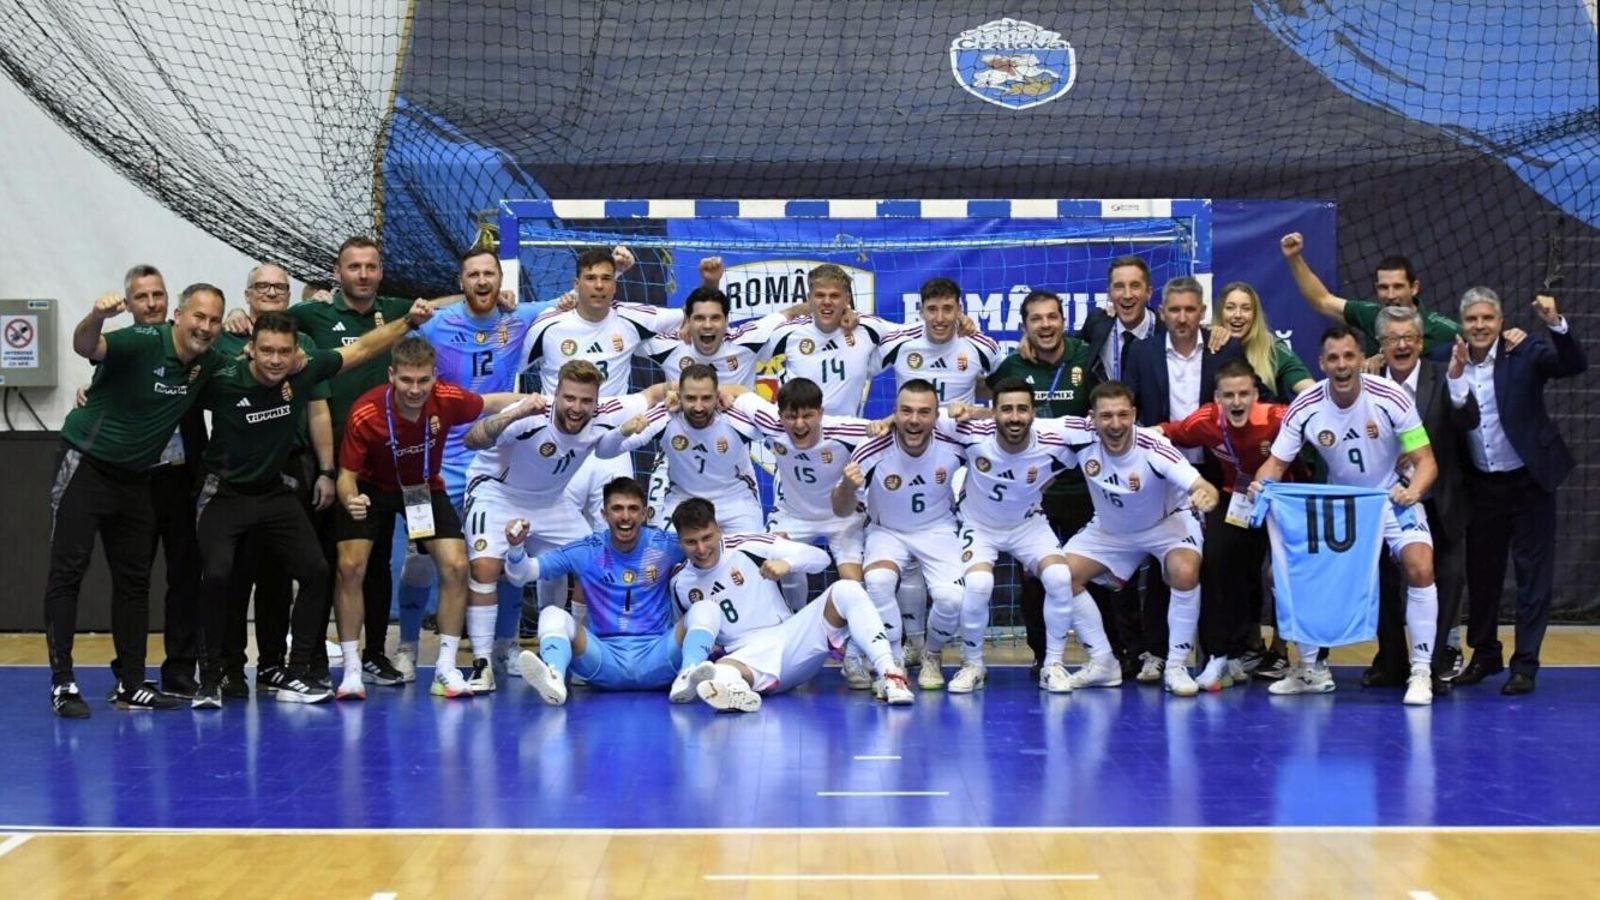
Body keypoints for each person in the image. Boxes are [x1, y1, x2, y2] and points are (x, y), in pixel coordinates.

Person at [191, 304, 430, 707]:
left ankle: (296, 670)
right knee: (217, 577)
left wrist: (408, 322)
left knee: (317, 571)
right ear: (251, 349)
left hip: (273, 493)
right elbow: (174, 377)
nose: (275, 360)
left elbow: (363, 350)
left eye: (284, 351)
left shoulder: (302, 374)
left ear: (295, 352)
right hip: (225, 493)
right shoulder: (222, 379)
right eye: (267, 351)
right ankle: (209, 677)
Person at [46, 281, 228, 717]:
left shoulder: (208, 363)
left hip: (135, 479)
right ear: (178, 316)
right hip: (85, 465)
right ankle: (63, 683)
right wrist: (95, 316)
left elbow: (257, 367)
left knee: (134, 581)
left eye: (214, 320)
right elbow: (86, 345)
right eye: (197, 317)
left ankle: (131, 683)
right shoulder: (144, 340)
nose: (204, 327)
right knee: (67, 572)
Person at [1250, 325, 1441, 706]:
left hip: (1390, 498)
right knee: (1291, 570)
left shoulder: (1391, 397)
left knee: (1421, 567)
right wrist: (1260, 486)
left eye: (1349, 356)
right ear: (1321, 363)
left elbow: (1426, 462)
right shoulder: (1306, 406)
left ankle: (1421, 672)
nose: (1341, 365)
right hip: (1341, 506)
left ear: (1362, 359)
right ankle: (1310, 670)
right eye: (1333, 358)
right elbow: (1273, 464)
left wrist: (1413, 491)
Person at [396, 247, 560, 681]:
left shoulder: (519, 317)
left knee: (500, 558)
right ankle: (407, 648)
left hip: (495, 463)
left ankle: (503, 648)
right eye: (473, 275)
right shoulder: (435, 324)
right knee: (421, 559)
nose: (482, 282)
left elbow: (573, 301)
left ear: (500, 280)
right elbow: (400, 352)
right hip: (430, 466)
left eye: (490, 274)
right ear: (461, 281)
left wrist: (617, 269)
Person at [333, 337, 522, 700]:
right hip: (371, 490)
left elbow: (493, 402)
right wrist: (350, 499)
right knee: (350, 568)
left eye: (423, 380)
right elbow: (346, 475)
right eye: (406, 380)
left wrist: (537, 404)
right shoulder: (366, 412)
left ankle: (446, 669)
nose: (415, 389)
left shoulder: (447, 398)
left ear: (435, 376)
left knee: (455, 566)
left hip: (421, 487)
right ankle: (352, 671)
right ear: (391, 375)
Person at [458, 360, 660, 692]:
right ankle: (482, 665)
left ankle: (577, 651)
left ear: (596, 401)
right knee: (484, 568)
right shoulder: (531, 415)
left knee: (595, 563)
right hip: (497, 494)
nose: (577, 408)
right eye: (569, 398)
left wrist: (702, 394)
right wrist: (514, 413)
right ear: (557, 394)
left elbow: (653, 394)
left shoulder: (607, 413)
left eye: (585, 400)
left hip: (550, 501)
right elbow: (472, 440)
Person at [75, 265, 212, 700]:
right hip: (130, 481)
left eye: (158, 295)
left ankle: (180, 669)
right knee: (131, 580)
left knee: (185, 575)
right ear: (129, 305)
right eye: (142, 297)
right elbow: (90, 354)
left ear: (173, 304)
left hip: (180, 479)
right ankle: (128, 672)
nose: (151, 303)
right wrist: (87, 391)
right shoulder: (121, 352)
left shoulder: (196, 349)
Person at [1449, 290, 1587, 695]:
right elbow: (1408, 357)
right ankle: (1485, 653)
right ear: (1463, 323)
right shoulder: (1448, 357)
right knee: (1483, 576)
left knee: (1532, 578)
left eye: (1487, 318)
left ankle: (1525, 663)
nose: (1479, 325)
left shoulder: (1524, 351)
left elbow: (1573, 364)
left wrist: (1554, 323)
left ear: (1500, 319)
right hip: (1481, 486)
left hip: (1530, 482)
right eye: (1472, 318)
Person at [211, 263, 336, 695]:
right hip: (237, 474)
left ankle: (274, 665)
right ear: (246, 295)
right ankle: (228, 666)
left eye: (279, 287)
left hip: (291, 467)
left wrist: (325, 469)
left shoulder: (303, 347)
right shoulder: (228, 339)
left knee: (282, 574)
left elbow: (318, 409)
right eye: (261, 287)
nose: (270, 293)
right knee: (232, 573)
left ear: (291, 296)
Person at [1053, 382, 1220, 696]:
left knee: (1183, 572)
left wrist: (1206, 496)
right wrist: (976, 412)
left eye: (1122, 415)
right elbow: (1016, 421)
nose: (1115, 425)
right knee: (1059, 576)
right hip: (1112, 529)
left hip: (1166, 523)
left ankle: (1176, 666)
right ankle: (1103, 662)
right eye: (1106, 416)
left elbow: (1201, 485)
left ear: (1134, 415)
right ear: (1092, 418)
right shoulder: (1077, 433)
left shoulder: (1154, 447)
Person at [1120, 276, 1243, 685]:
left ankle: (1220, 653)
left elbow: (1241, 400)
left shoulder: (1224, 347)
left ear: (1203, 312)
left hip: (1216, 472)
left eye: (1191, 310)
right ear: (1162, 313)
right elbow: (1130, 408)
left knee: (1217, 562)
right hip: (1161, 472)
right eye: (1175, 310)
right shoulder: (1142, 351)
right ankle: (1157, 653)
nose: (1183, 318)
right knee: (1161, 563)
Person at [666, 498, 900, 713]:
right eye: (691, 542)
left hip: (793, 641)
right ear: (680, 542)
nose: (701, 549)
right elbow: (689, 632)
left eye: (707, 537)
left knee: (848, 589)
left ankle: (891, 675)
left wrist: (787, 564)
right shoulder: (679, 582)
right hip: (746, 659)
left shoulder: (749, 545)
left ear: (719, 530)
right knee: (721, 672)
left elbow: (822, 559)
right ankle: (736, 693)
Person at [940, 379, 1085, 692]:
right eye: (1006, 409)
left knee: (1060, 577)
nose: (1015, 417)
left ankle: (1054, 665)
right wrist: (887, 422)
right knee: (978, 585)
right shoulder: (970, 432)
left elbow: (1102, 423)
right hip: (979, 527)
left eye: (1022, 409)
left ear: (1034, 413)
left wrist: (1158, 433)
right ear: (993, 413)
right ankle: (973, 664)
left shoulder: (1055, 438)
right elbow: (917, 415)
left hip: (1027, 526)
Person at [1159, 359, 1295, 689]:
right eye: (1229, 395)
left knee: (1281, 577)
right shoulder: (1207, 420)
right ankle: (1220, 655)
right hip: (1237, 499)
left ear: (1255, 395)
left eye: (1244, 394)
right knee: (1216, 565)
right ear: (1217, 398)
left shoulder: (1280, 418)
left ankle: (1306, 660)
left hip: (1285, 503)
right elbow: (1166, 432)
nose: (1237, 402)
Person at [1365, 306, 1479, 694]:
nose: (1401, 345)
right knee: (1380, 581)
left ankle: (1429, 665)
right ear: (1380, 344)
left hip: (1437, 497)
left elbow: (1467, 423)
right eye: (1392, 339)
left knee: (1447, 578)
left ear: (1421, 342)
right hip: (1381, 501)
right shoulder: (1365, 378)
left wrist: (1460, 382)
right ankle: (1393, 661)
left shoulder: (1443, 375)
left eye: (1408, 338)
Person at [988, 288, 1101, 679]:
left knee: (1093, 575)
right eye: (1036, 319)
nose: (1045, 325)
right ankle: (1043, 658)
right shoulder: (1012, 366)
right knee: (1037, 577)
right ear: (1024, 326)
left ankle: (1106, 655)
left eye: (1052, 317)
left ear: (1064, 320)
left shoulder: (1088, 355)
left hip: (1088, 488)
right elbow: (992, 410)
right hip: (1036, 493)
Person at [830, 379, 967, 698]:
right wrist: (848, 487)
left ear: (937, 416)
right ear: (894, 413)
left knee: (952, 600)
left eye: (923, 412)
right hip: (886, 530)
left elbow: (1003, 426)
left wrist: (972, 409)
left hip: (938, 529)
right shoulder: (871, 449)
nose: (914, 420)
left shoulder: (955, 441)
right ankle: (892, 663)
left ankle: (931, 654)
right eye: (906, 411)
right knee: (877, 581)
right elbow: (840, 509)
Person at [503, 478, 691, 706]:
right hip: (602, 661)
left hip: (659, 658)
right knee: (551, 613)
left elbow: (708, 547)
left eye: (633, 509)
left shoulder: (666, 545)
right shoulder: (586, 550)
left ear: (644, 514)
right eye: (617, 509)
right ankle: (554, 678)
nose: (625, 516)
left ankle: (688, 676)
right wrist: (515, 548)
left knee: (706, 609)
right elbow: (522, 574)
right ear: (604, 514)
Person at [518, 245, 674, 514]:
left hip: (613, 440)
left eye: (606, 279)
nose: (599, 286)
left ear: (616, 285)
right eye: (590, 279)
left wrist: (709, 288)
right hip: (560, 443)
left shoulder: (632, 318)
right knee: (558, 535)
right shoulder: (549, 325)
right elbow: (512, 371)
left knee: (617, 528)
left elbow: (694, 319)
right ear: (576, 285)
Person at [615, 363, 767, 532]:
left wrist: (738, 394)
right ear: (679, 397)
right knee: (665, 554)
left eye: (706, 398)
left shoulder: (736, 420)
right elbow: (609, 449)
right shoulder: (665, 416)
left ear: (717, 397)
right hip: (682, 499)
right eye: (691, 398)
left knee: (750, 554)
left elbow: (780, 430)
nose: (699, 407)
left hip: (735, 501)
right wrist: (621, 431)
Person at [1279, 232, 1462, 356]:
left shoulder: (1444, 330)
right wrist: (1294, 258)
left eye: (1398, 287)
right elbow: (1322, 300)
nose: (1390, 295)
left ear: (1414, 287)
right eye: (1383, 287)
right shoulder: (1370, 315)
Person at [641, 258, 808, 389]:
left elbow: (790, 313)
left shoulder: (746, 340)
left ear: (727, 321)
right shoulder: (668, 347)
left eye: (715, 318)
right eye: (699, 318)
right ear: (688, 321)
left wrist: (832, 310)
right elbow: (623, 333)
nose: (707, 325)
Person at [761, 264, 901, 417]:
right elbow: (744, 352)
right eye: (820, 295)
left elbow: (910, 335)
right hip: (798, 433)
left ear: (847, 299)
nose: (827, 301)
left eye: (834, 296)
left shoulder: (866, 328)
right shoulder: (788, 333)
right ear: (809, 299)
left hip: (846, 436)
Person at [877, 277, 1001, 404]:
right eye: (932, 309)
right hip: (913, 423)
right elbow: (859, 369)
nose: (940, 318)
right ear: (921, 311)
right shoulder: (899, 342)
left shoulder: (981, 346)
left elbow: (1012, 388)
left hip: (960, 424)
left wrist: (976, 413)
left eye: (947, 309)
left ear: (959, 310)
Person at [1208, 281, 1314, 401]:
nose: (1238, 315)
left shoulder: (1273, 349)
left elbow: (1310, 391)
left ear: (1255, 315)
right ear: (1220, 313)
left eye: (1246, 308)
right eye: (1230, 308)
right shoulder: (1205, 346)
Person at [1078, 255, 1158, 384]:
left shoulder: (1166, 330)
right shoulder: (1097, 323)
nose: (1127, 295)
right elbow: (1066, 347)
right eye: (1119, 286)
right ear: (1109, 294)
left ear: (1148, 292)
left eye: (1135, 286)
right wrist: (1033, 343)